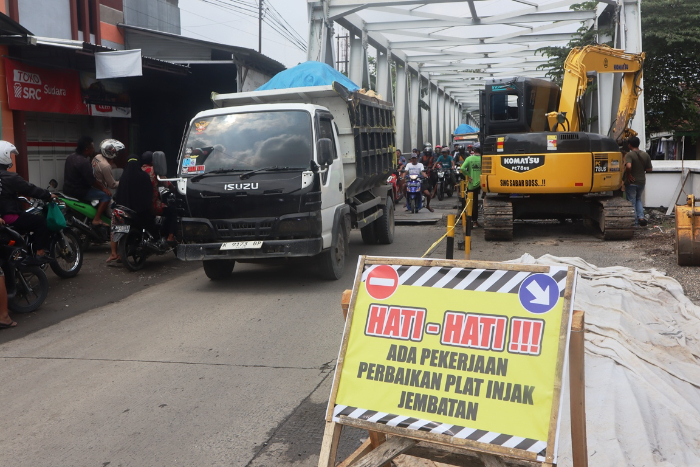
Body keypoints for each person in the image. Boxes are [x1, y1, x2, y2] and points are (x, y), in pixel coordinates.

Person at [0, 141, 58, 258]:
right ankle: (39, 252)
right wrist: (47, 195)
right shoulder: (9, 177)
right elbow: (29, 189)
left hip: (3, 216)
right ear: (4, 155)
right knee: (41, 222)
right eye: (10, 155)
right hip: (9, 216)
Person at [107, 154, 154, 263]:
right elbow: (149, 194)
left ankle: (114, 253)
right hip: (141, 213)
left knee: (114, 226)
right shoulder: (144, 176)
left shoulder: (124, 177)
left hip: (124, 211)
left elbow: (117, 195)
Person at [63, 136, 112, 226]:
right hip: (79, 191)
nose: (93, 149)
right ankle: (96, 219)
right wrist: (104, 188)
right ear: (87, 149)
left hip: (67, 189)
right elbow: (92, 181)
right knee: (106, 196)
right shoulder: (83, 162)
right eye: (92, 147)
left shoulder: (71, 157)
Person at [142, 151, 177, 244]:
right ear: (153, 161)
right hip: (153, 206)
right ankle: (170, 236)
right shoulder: (155, 171)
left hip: (139, 205)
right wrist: (175, 190)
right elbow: (167, 183)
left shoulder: (138, 170)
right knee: (173, 211)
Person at [624, 136, 653, 227]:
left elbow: (628, 166)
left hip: (632, 182)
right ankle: (641, 217)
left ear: (629, 145)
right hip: (641, 182)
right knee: (638, 199)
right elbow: (649, 169)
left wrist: (629, 174)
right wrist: (641, 169)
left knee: (631, 202)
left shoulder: (629, 155)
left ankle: (635, 223)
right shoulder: (645, 155)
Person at [461, 147, 482, 227]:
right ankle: (475, 222)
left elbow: (462, 168)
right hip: (482, 182)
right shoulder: (483, 159)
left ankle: (471, 221)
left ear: (474, 151)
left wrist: (468, 175)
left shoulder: (469, 158)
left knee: (471, 203)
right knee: (476, 203)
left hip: (472, 184)